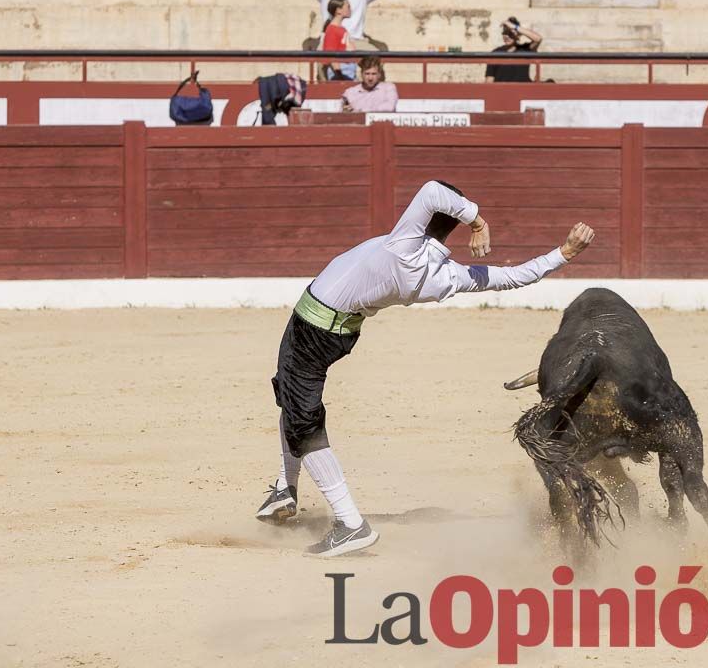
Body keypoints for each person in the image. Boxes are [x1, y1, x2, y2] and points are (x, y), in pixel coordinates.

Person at [255, 179, 596, 556]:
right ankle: (285, 489)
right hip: (332, 330)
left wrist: (477, 221)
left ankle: (349, 524)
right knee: (290, 397)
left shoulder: (404, 245)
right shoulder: (447, 275)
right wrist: (565, 253)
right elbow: (511, 277)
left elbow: (433, 190)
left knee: (304, 422)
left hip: (315, 328)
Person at [485, 17, 543, 83]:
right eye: (505, 32)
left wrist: (514, 27)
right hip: (502, 89)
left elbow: (538, 39)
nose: (507, 36)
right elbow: (489, 80)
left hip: (522, 89)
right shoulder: (495, 53)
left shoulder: (525, 49)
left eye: (510, 33)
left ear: (518, 34)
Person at [318, 0, 355, 81]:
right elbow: (331, 55)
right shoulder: (332, 30)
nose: (350, 9)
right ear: (338, 10)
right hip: (340, 70)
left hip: (348, 69)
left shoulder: (341, 28)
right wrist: (339, 75)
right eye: (348, 7)